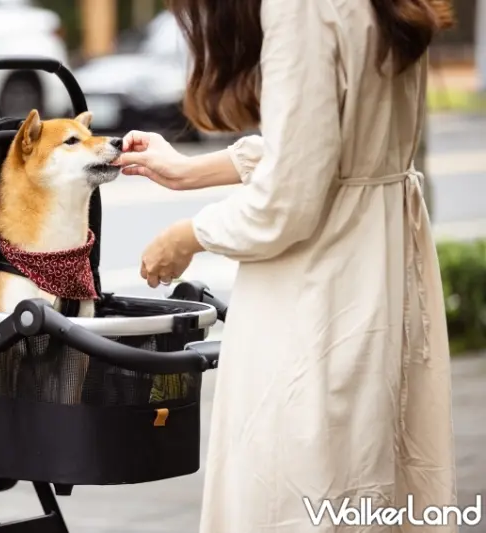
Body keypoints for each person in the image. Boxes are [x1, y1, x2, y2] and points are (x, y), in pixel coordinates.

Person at [114, 0, 457, 531]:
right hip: (376, 266)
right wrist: (186, 172)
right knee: (367, 472)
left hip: (320, 283)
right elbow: (323, 144)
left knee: (297, 486)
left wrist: (186, 237)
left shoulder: (297, 7)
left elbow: (288, 200)